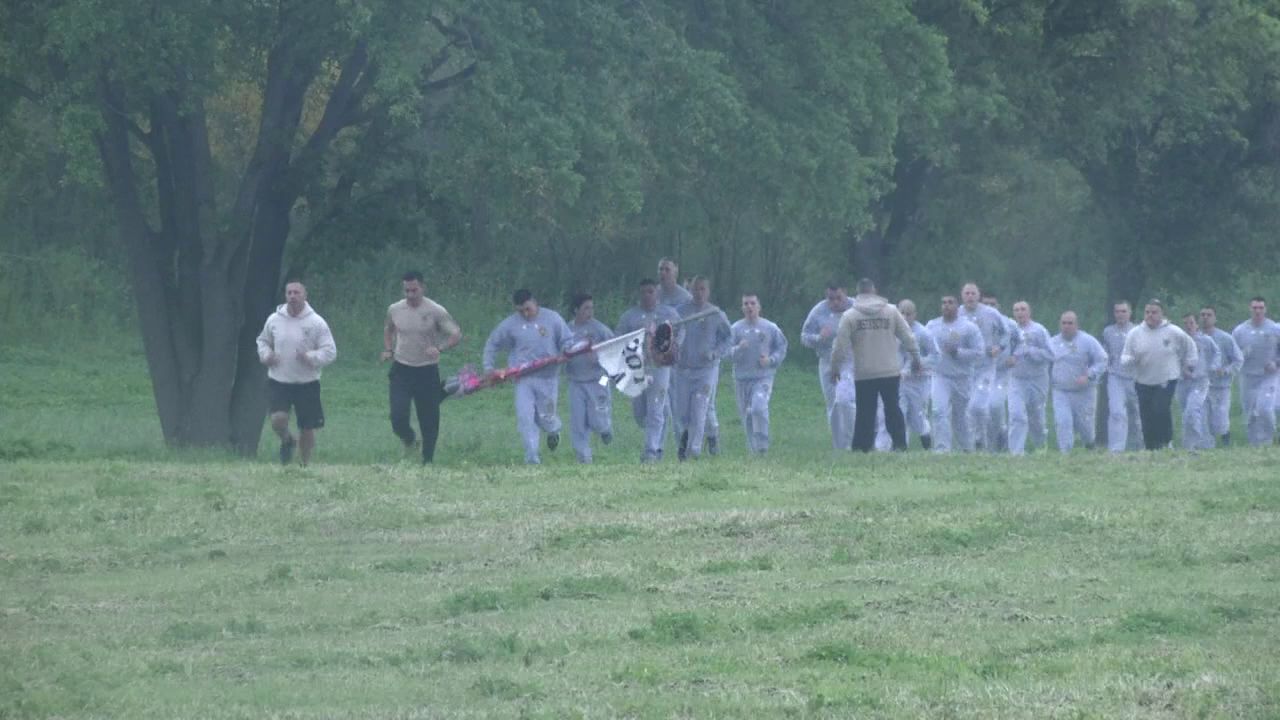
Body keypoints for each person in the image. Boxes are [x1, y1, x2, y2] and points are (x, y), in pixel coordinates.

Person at [482, 289, 573, 464]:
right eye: (520, 310)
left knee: (546, 417)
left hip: (548, 378)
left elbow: (567, 340)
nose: (525, 313)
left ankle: (553, 430)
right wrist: (489, 367)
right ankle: (532, 456)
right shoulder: (510, 324)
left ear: (534, 302)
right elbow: (492, 343)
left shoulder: (552, 318)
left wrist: (567, 350)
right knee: (525, 417)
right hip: (523, 378)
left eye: (527, 309)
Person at [830, 279, 920, 452]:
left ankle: (861, 446)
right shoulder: (891, 311)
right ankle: (900, 443)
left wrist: (835, 368)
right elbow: (908, 336)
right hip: (889, 369)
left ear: (858, 293)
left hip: (865, 371)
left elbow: (839, 345)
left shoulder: (850, 316)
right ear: (874, 291)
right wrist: (916, 357)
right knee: (892, 407)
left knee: (865, 411)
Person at [382, 271, 462, 464]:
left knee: (428, 419)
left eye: (414, 290)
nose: (410, 295)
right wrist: (388, 349)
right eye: (407, 290)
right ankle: (409, 439)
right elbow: (389, 329)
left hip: (426, 370)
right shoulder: (395, 309)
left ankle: (427, 460)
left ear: (422, 288)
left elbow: (456, 334)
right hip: (402, 369)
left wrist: (439, 348)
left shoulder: (435, 310)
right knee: (398, 417)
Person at [255, 281, 337, 466]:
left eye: (296, 293)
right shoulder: (274, 319)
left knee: (307, 427)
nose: (292, 296)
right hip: (279, 379)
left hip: (307, 382)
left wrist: (310, 357)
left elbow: (330, 351)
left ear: (304, 296)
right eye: (289, 293)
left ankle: (303, 465)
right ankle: (287, 439)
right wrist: (266, 355)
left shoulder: (316, 322)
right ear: (285, 295)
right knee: (277, 419)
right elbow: (262, 341)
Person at [617, 279, 682, 463]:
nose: (647, 296)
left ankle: (652, 451)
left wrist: (671, 350)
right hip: (637, 368)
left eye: (651, 292)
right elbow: (619, 339)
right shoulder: (629, 317)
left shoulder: (669, 314)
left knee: (656, 408)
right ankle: (655, 437)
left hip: (660, 366)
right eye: (644, 292)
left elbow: (680, 332)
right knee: (640, 413)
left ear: (657, 293)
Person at [1120, 300, 1196, 450]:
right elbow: (1125, 356)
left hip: (1166, 378)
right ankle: (1150, 447)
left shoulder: (1173, 331)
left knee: (1160, 409)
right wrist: (1130, 360)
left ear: (1162, 314)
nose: (1150, 315)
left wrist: (1189, 365)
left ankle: (1166, 441)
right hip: (1143, 380)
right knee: (1146, 414)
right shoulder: (1135, 333)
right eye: (1147, 312)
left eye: (1154, 312)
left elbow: (1190, 347)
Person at [673, 276, 732, 460]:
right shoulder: (680, 312)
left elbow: (728, 338)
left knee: (700, 408)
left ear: (708, 291)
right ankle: (706, 433)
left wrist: (716, 353)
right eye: (695, 289)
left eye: (702, 289)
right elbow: (670, 334)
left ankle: (693, 451)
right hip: (683, 369)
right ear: (690, 290)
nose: (698, 293)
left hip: (706, 370)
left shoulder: (715, 314)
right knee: (684, 413)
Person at [800, 281, 856, 450]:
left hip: (849, 361)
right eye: (831, 299)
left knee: (845, 399)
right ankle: (839, 446)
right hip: (826, 362)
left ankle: (853, 440)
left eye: (839, 298)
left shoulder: (856, 308)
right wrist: (819, 337)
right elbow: (804, 336)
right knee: (833, 404)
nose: (835, 303)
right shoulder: (819, 311)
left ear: (845, 293)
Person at [730, 293, 788, 455]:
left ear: (759, 307)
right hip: (742, 379)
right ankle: (753, 450)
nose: (749, 307)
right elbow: (726, 352)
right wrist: (738, 348)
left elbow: (782, 347)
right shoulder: (735, 329)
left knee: (758, 407)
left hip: (763, 378)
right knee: (747, 415)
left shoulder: (770, 328)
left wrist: (770, 360)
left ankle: (762, 446)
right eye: (746, 304)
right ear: (742, 307)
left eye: (753, 303)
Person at [925, 295, 984, 452]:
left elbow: (979, 352)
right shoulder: (932, 326)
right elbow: (924, 347)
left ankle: (967, 448)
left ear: (957, 306)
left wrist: (958, 352)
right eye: (943, 303)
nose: (946, 306)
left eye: (950, 303)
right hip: (940, 376)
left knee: (960, 416)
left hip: (962, 377)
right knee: (939, 411)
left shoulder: (968, 327)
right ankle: (942, 449)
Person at [959, 283, 1011, 452]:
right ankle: (977, 440)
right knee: (966, 408)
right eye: (967, 293)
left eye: (973, 293)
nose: (970, 296)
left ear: (978, 295)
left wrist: (1000, 347)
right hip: (965, 368)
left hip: (986, 367)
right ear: (962, 296)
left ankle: (983, 437)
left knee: (978, 406)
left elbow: (1006, 332)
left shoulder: (991, 313)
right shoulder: (958, 314)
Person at [565, 293, 614, 463]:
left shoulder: (600, 329)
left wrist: (600, 358)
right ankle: (584, 458)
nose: (590, 312)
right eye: (586, 308)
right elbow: (559, 351)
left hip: (599, 379)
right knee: (578, 421)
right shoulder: (567, 330)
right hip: (576, 382)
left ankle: (605, 428)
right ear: (576, 310)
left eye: (591, 308)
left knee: (597, 419)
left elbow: (614, 349)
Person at [1049, 311, 1107, 452]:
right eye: (1064, 323)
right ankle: (1065, 454)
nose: (1066, 326)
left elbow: (1102, 360)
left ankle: (1090, 446)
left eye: (1070, 323)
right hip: (1060, 390)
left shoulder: (1088, 341)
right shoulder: (1052, 342)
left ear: (1077, 325)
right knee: (1063, 422)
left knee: (1086, 426)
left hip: (1084, 392)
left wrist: (1089, 375)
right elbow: (1045, 363)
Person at [1231, 296, 1280, 447]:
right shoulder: (1240, 331)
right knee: (1251, 413)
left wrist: (1276, 362)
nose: (1257, 311)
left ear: (1265, 309)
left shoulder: (1274, 329)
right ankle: (1255, 445)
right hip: (1248, 376)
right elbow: (1232, 353)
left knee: (1265, 408)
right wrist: (1242, 355)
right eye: (1255, 308)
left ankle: (1268, 439)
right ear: (1250, 309)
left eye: (1260, 308)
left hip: (1269, 376)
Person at [1006, 301, 1053, 455]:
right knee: (1017, 415)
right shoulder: (1009, 330)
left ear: (1029, 312)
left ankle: (1040, 445)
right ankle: (1016, 452)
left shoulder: (1039, 330)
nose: (1020, 312)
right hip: (1016, 379)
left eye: (1023, 309)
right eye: (1016, 310)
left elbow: (1051, 354)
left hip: (1037, 379)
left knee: (1036, 417)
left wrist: (1030, 351)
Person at [895, 299, 937, 450]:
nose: (905, 317)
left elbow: (936, 356)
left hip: (919, 381)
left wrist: (921, 363)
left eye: (909, 314)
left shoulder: (923, 333)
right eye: (902, 313)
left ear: (915, 315)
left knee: (917, 416)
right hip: (900, 379)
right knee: (900, 412)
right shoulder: (893, 331)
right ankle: (901, 447)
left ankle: (926, 442)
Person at [1199, 306, 1243, 447]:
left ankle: (1226, 443)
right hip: (1200, 386)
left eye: (1209, 315)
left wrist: (1225, 370)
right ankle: (1206, 448)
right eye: (1203, 315)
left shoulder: (1225, 338)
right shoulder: (1195, 337)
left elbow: (1238, 359)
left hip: (1221, 387)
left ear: (1215, 318)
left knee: (1220, 420)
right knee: (1202, 419)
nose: (1205, 317)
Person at [1101, 301, 1142, 453]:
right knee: (1117, 412)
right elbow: (1105, 354)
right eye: (1117, 311)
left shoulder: (1138, 331)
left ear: (1130, 313)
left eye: (1123, 311)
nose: (1120, 314)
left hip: (1135, 377)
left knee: (1137, 414)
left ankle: (1139, 446)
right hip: (1115, 376)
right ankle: (1116, 450)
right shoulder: (1108, 332)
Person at [1176, 313, 1221, 450]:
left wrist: (1212, 368)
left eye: (1191, 323)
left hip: (1200, 381)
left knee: (1192, 409)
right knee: (1187, 412)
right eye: (1185, 324)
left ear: (1196, 324)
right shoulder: (1179, 341)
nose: (1188, 326)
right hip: (1183, 382)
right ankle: (1200, 443)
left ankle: (1195, 443)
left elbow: (1216, 354)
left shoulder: (1205, 340)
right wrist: (1182, 369)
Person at [981, 293, 1019, 452]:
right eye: (986, 304)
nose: (990, 307)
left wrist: (1014, 356)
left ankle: (1000, 433)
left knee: (995, 405)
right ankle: (989, 445)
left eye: (993, 304)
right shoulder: (976, 322)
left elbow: (1020, 342)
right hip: (982, 372)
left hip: (1002, 373)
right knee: (981, 409)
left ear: (998, 306)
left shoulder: (1009, 324)